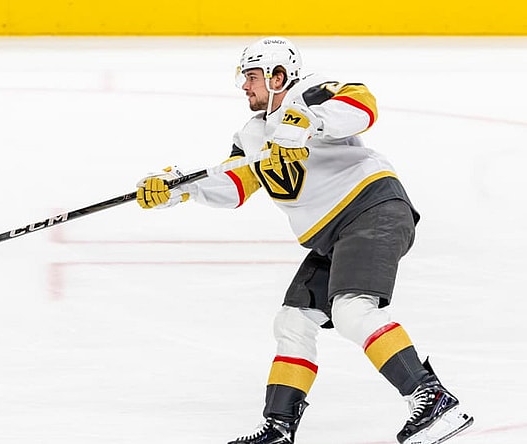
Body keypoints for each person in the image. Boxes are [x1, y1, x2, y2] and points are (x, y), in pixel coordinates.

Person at [135, 37, 474, 444]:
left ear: (279, 77)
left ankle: (430, 396)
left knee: (352, 311)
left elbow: (363, 104)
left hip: (372, 208)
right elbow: (235, 184)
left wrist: (310, 121)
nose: (245, 86)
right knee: (293, 321)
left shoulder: (309, 94)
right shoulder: (252, 135)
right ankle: (279, 429)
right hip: (333, 235)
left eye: (253, 76)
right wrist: (179, 188)